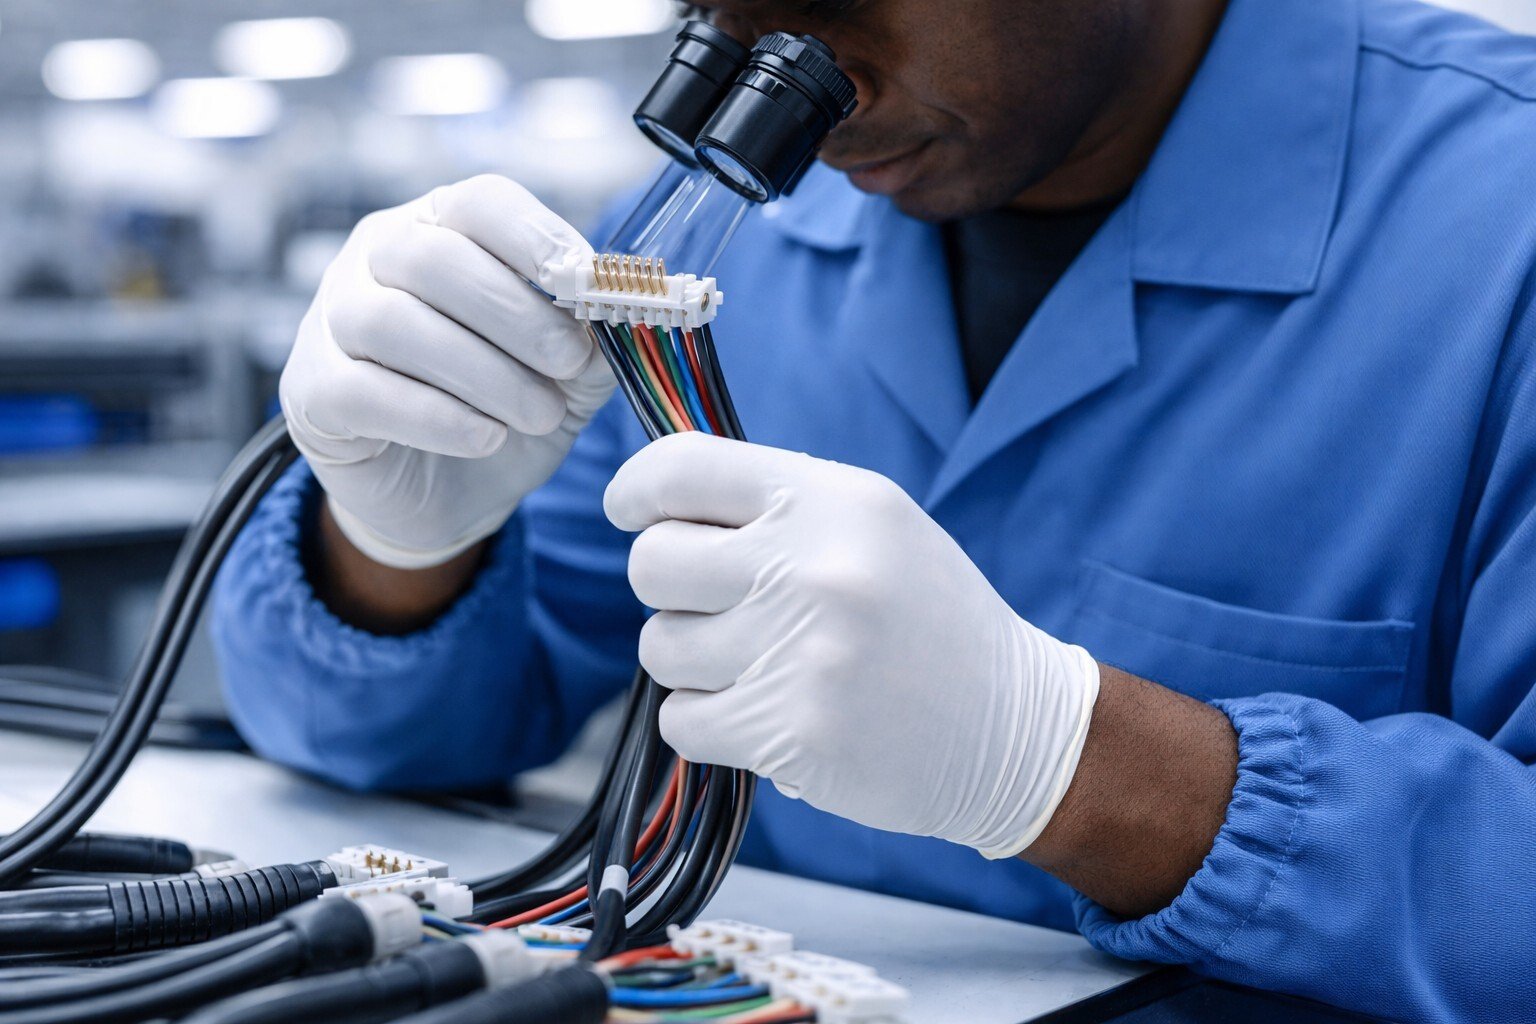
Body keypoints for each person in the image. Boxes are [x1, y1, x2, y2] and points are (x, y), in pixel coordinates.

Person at [214, 0, 1536, 1019]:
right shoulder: (731, 240)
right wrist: (393, 548)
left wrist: (1075, 765)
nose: (794, 85)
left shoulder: (1498, 222)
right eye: (717, 18)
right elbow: (398, 737)